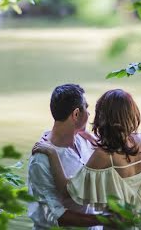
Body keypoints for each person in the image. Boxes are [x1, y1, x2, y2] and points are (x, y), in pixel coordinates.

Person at [32, 88, 141, 220]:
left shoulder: (104, 155)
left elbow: (67, 191)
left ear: (104, 117)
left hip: (118, 225)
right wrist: (81, 132)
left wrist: (52, 153)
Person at [28, 84, 103, 230]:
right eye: (86, 108)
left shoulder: (85, 140)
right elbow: (55, 216)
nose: (88, 114)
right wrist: (105, 220)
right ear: (75, 114)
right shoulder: (41, 160)